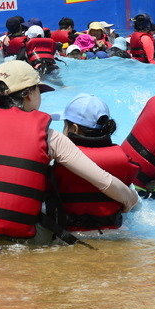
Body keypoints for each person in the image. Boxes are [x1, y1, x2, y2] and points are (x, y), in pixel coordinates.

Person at [0, 62, 137, 249]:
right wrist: (130, 201)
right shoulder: (49, 136)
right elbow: (104, 181)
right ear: (29, 94)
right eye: (39, 91)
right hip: (25, 241)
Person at [54, 94, 139, 234]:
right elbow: (136, 207)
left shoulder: (58, 161)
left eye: (64, 125)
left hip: (69, 233)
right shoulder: (121, 160)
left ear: (73, 129)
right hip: (114, 233)